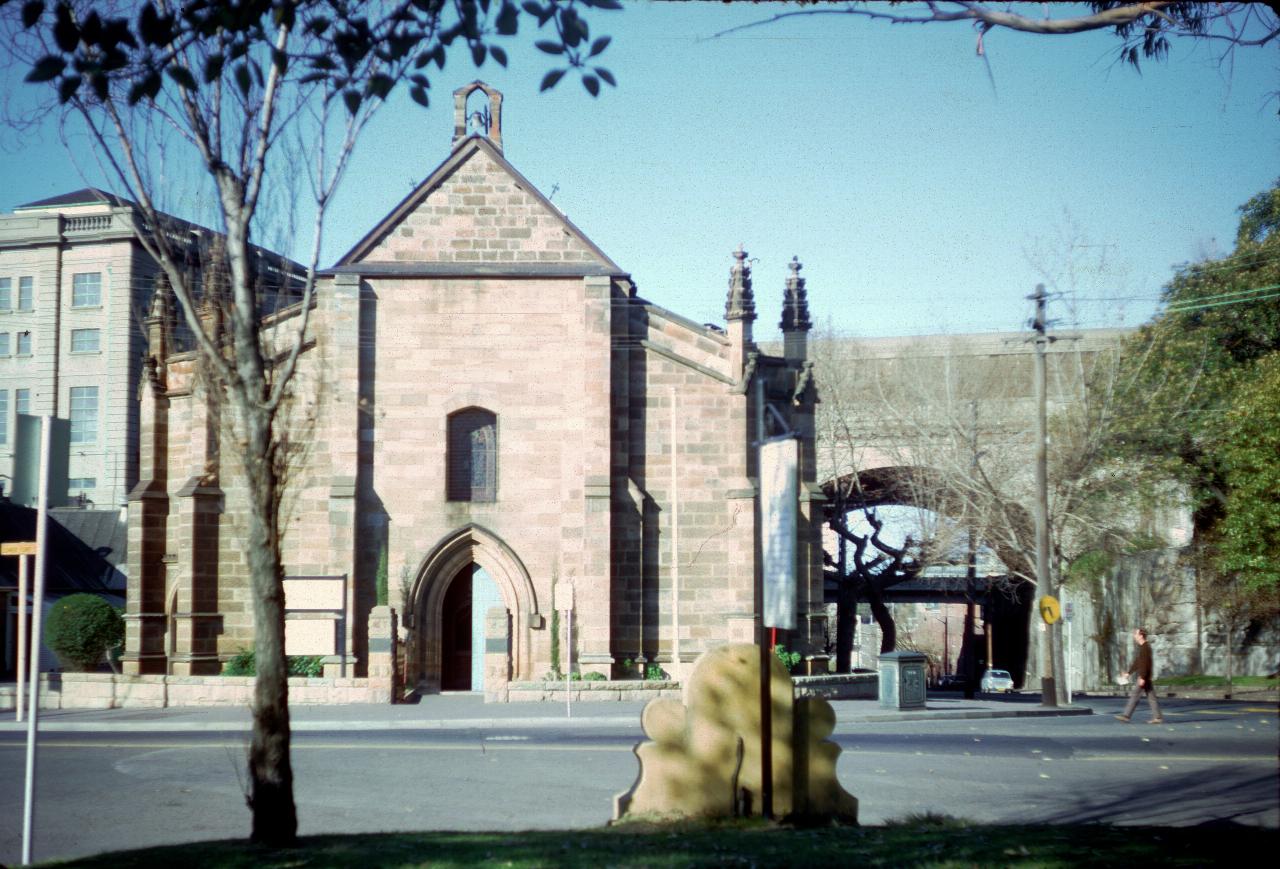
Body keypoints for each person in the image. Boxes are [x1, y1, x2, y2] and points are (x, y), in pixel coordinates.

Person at [1116, 627, 1163, 724]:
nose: (1134, 636)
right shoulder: (1143, 647)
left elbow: (1145, 663)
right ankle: (1158, 717)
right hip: (1146, 676)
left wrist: (1142, 677)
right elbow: (1138, 662)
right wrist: (1129, 673)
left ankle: (1126, 715)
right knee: (1151, 697)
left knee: (1135, 695)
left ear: (1141, 635)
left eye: (1135, 634)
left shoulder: (1145, 648)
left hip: (1144, 677)